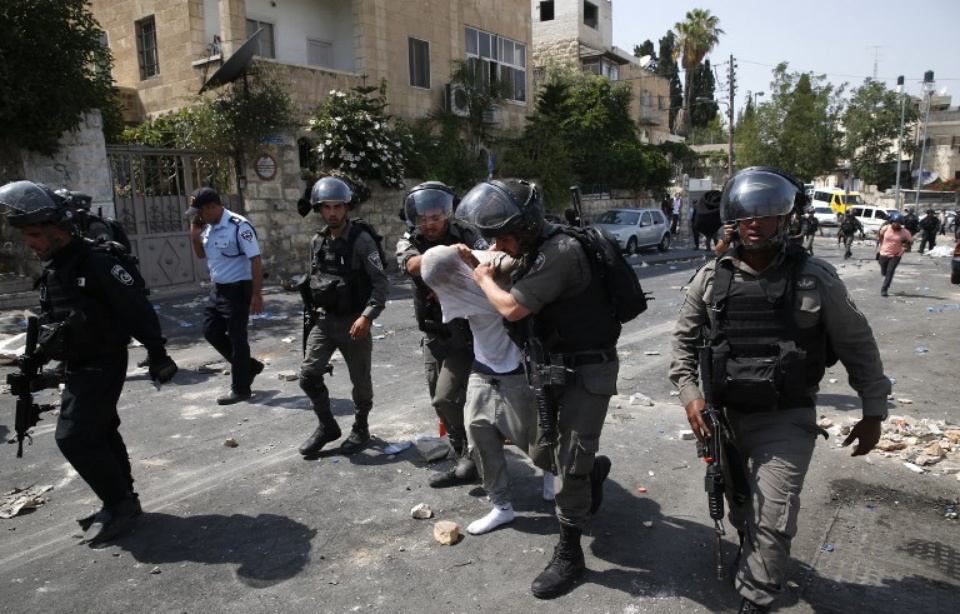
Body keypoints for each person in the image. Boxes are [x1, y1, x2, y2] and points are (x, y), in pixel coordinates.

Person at [669, 167, 890, 614]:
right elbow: (683, 345)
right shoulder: (712, 278)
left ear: (786, 218)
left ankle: (758, 597)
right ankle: (752, 552)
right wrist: (691, 396)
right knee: (740, 505)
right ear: (734, 220)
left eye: (767, 214)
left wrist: (873, 411)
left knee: (773, 512)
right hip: (724, 417)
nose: (756, 222)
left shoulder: (814, 278)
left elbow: (857, 344)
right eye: (747, 214)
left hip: (785, 417)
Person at [458, 179, 618, 599]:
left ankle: (569, 552)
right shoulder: (528, 249)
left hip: (587, 370)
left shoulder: (560, 252)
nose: (498, 244)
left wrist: (482, 278)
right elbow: (497, 261)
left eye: (503, 235)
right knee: (541, 449)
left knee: (567, 460)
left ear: (526, 226)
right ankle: (591, 472)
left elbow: (511, 307)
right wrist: (475, 258)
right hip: (550, 367)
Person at [0, 180, 178, 545]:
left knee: (74, 437)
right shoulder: (57, 266)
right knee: (100, 430)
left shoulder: (96, 262)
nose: (29, 243)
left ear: (58, 229)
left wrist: (157, 352)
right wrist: (42, 371)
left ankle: (119, 503)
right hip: (79, 361)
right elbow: (59, 321)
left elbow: (136, 307)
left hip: (103, 359)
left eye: (34, 234)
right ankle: (123, 501)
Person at [419, 244, 554, 535]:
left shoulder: (492, 269)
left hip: (519, 368)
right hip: (484, 366)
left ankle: (551, 472)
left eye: (447, 280)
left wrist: (488, 269)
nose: (445, 288)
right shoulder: (468, 270)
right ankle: (501, 506)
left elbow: (517, 260)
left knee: (536, 442)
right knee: (478, 432)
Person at [395, 182, 486, 487]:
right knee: (439, 400)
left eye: (436, 216)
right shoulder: (409, 240)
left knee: (449, 397)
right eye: (423, 218)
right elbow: (412, 265)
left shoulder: (467, 235)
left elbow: (486, 261)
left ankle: (471, 455)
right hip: (433, 333)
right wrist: (448, 256)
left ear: (447, 213)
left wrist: (465, 258)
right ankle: (464, 452)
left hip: (465, 331)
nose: (430, 223)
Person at [297, 177, 389, 457]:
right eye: (327, 207)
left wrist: (368, 317)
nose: (333, 213)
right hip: (325, 320)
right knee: (307, 376)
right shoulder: (318, 241)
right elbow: (317, 279)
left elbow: (380, 283)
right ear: (319, 210)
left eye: (338, 206)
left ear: (346, 207)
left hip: (355, 321)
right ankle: (327, 427)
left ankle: (361, 427)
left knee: (360, 381)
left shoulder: (361, 242)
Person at [187, 187, 264, 405]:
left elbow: (255, 260)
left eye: (199, 212)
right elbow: (202, 255)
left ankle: (241, 388)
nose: (197, 217)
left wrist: (256, 294)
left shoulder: (239, 226)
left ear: (213, 206)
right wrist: (195, 238)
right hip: (219, 288)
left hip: (239, 288)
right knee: (211, 331)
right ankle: (249, 367)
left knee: (237, 338)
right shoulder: (209, 228)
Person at [877, 212, 913, 297]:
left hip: (896, 255)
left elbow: (911, 241)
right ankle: (884, 271)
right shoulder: (885, 228)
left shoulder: (905, 232)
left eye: (898, 223)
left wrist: (905, 247)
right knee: (883, 268)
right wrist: (881, 245)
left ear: (901, 223)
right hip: (884, 253)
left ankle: (884, 289)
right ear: (891, 222)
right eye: (894, 222)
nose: (896, 224)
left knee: (890, 271)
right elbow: (880, 236)